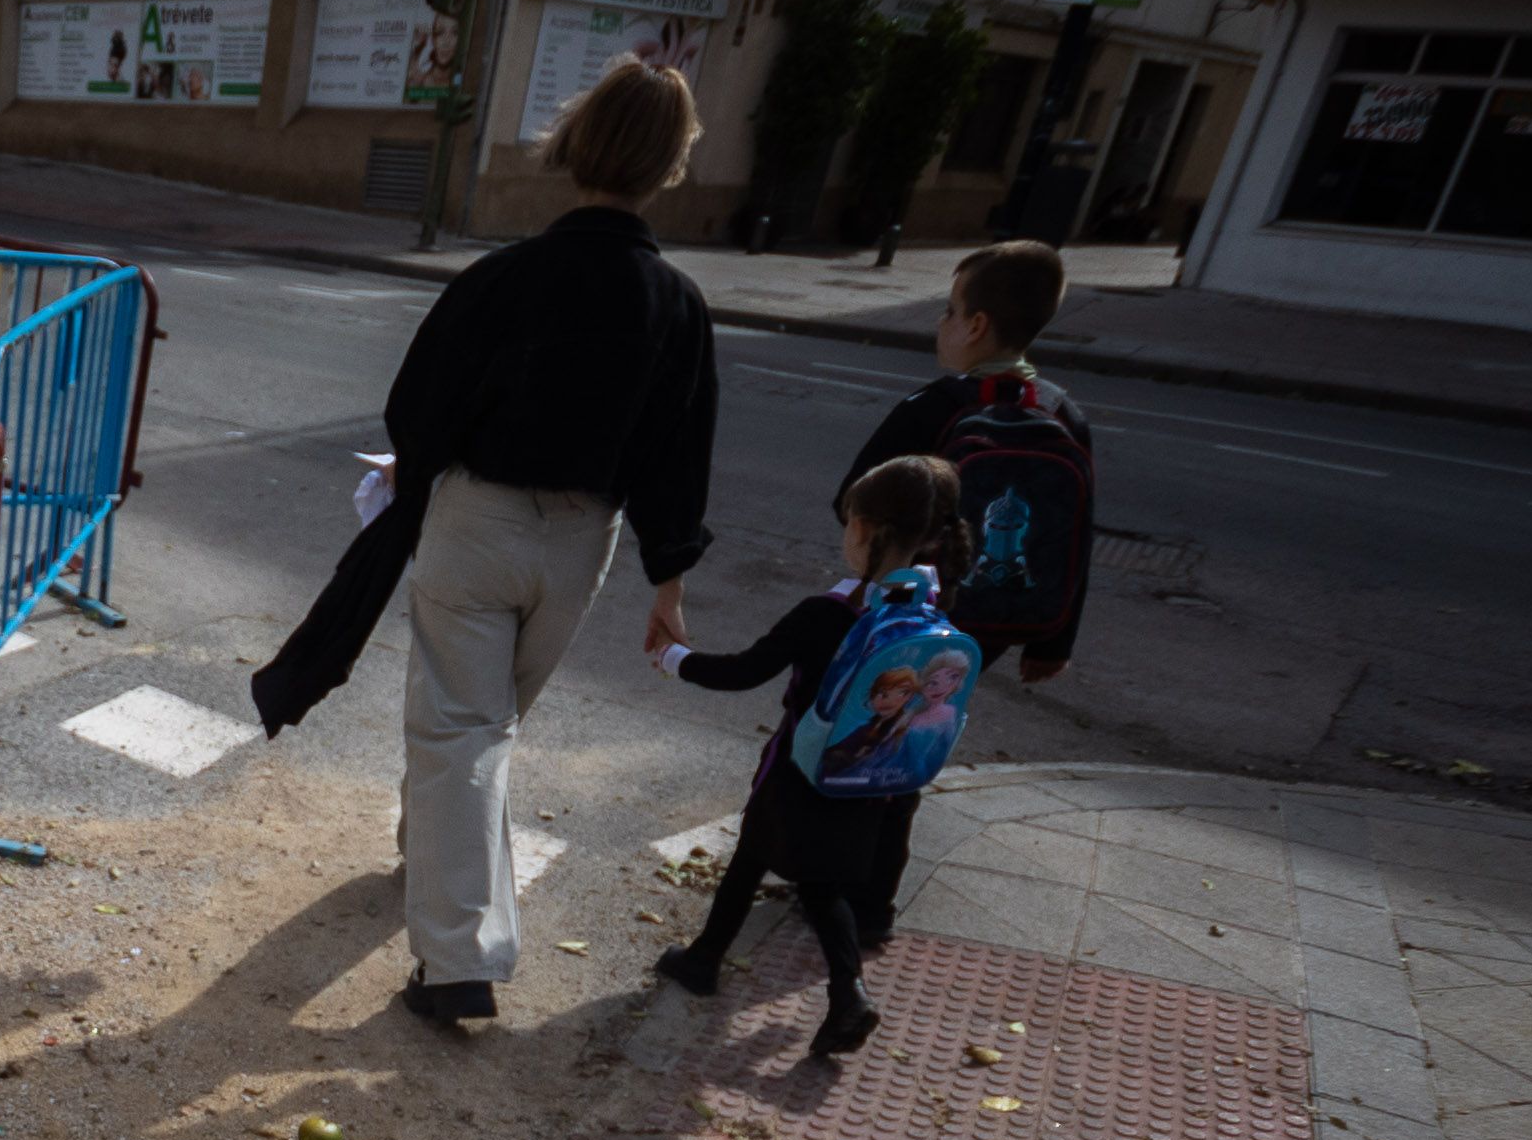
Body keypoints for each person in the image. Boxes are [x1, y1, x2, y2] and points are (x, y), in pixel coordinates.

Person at [371, 57, 718, 1024]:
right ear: (668, 163)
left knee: (459, 725)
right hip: (581, 545)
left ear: (577, 144)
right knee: (483, 725)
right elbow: (680, 449)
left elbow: (418, 404)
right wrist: (670, 579)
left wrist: (410, 469)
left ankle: (459, 963)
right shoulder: (677, 303)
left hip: (477, 523)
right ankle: (424, 850)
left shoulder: (505, 278)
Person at [645, 456, 973, 1058]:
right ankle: (837, 989)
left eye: (850, 523)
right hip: (871, 776)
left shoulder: (826, 613)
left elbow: (743, 672)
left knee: (756, 854)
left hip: (802, 766)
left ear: (866, 530)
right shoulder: (931, 607)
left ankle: (717, 962)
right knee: (819, 883)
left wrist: (673, 659)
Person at [833, 240, 1092, 947]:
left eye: (949, 311)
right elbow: (1076, 533)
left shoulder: (935, 404)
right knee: (919, 734)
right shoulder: (1064, 409)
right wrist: (1054, 640)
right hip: (998, 621)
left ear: (976, 325)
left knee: (869, 734)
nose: (942, 324)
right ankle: (873, 901)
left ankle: (852, 897)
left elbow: (852, 498)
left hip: (911, 610)